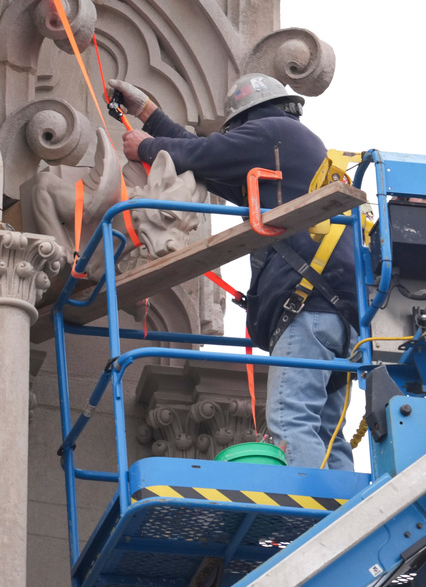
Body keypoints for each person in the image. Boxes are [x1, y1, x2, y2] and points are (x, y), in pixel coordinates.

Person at [109, 74, 358, 471]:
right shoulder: (284, 152)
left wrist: (147, 147)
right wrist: (147, 113)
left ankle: (311, 507)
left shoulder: (273, 131)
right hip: (337, 312)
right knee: (328, 430)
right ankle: (346, 504)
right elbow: (207, 158)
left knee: (291, 418)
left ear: (245, 120)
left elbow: (206, 153)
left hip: (306, 309)